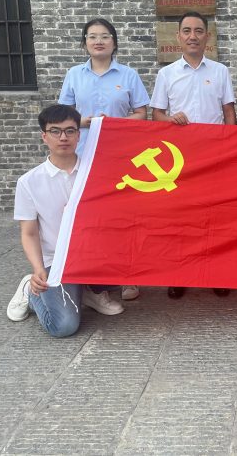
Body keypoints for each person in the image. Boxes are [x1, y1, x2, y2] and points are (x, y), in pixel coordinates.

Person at [6, 105, 125, 337]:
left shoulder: (96, 173)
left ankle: (90, 292)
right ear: (44, 136)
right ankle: (29, 291)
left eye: (70, 131)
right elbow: (29, 233)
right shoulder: (29, 182)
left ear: (79, 135)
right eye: (55, 131)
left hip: (94, 255)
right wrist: (38, 269)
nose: (63, 137)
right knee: (63, 326)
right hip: (57, 260)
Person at [58, 18, 150, 301]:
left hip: (121, 158)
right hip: (84, 156)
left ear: (114, 42)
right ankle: (92, 277)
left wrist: (115, 124)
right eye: (92, 36)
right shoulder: (74, 75)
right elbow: (63, 117)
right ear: (85, 42)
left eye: (105, 36)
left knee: (124, 216)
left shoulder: (128, 75)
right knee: (90, 217)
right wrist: (86, 122)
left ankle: (129, 277)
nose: (99, 41)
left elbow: (141, 113)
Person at [151, 11, 236, 299]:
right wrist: (170, 120)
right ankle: (180, 274)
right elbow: (157, 115)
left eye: (198, 31)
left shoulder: (220, 71)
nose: (192, 36)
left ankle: (216, 272)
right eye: (186, 31)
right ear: (178, 36)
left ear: (207, 36)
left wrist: (231, 147)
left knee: (215, 217)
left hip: (214, 155)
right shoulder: (166, 74)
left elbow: (228, 112)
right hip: (180, 158)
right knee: (181, 218)